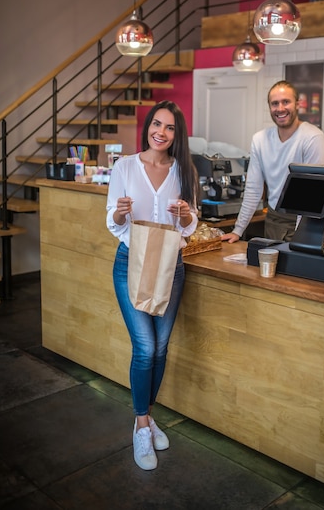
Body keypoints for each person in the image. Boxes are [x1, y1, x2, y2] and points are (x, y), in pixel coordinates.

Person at [106, 100, 198, 471]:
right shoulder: (124, 166)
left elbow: (190, 226)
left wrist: (187, 215)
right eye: (156, 124)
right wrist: (120, 212)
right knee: (144, 347)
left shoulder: (184, 169)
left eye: (170, 127)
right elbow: (112, 221)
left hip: (171, 266)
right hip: (131, 264)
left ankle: (146, 415)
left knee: (161, 349)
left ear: (178, 134)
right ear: (147, 126)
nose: (161, 132)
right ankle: (141, 425)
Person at [221, 80, 324, 243]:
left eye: (286, 102)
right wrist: (238, 230)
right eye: (275, 103)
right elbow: (253, 189)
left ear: (297, 104)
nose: (280, 108)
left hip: (305, 220)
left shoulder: (312, 137)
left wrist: (301, 238)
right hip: (273, 218)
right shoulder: (260, 139)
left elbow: (310, 196)